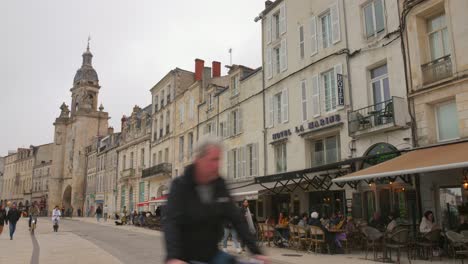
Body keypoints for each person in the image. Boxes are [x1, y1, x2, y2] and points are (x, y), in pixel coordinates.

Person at [163, 138, 267, 264]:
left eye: (219, 160)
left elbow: (236, 218)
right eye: (213, 160)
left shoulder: (219, 185)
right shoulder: (180, 186)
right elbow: (171, 222)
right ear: (198, 160)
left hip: (212, 254)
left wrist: (256, 252)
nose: (217, 165)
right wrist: (173, 257)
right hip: (185, 257)